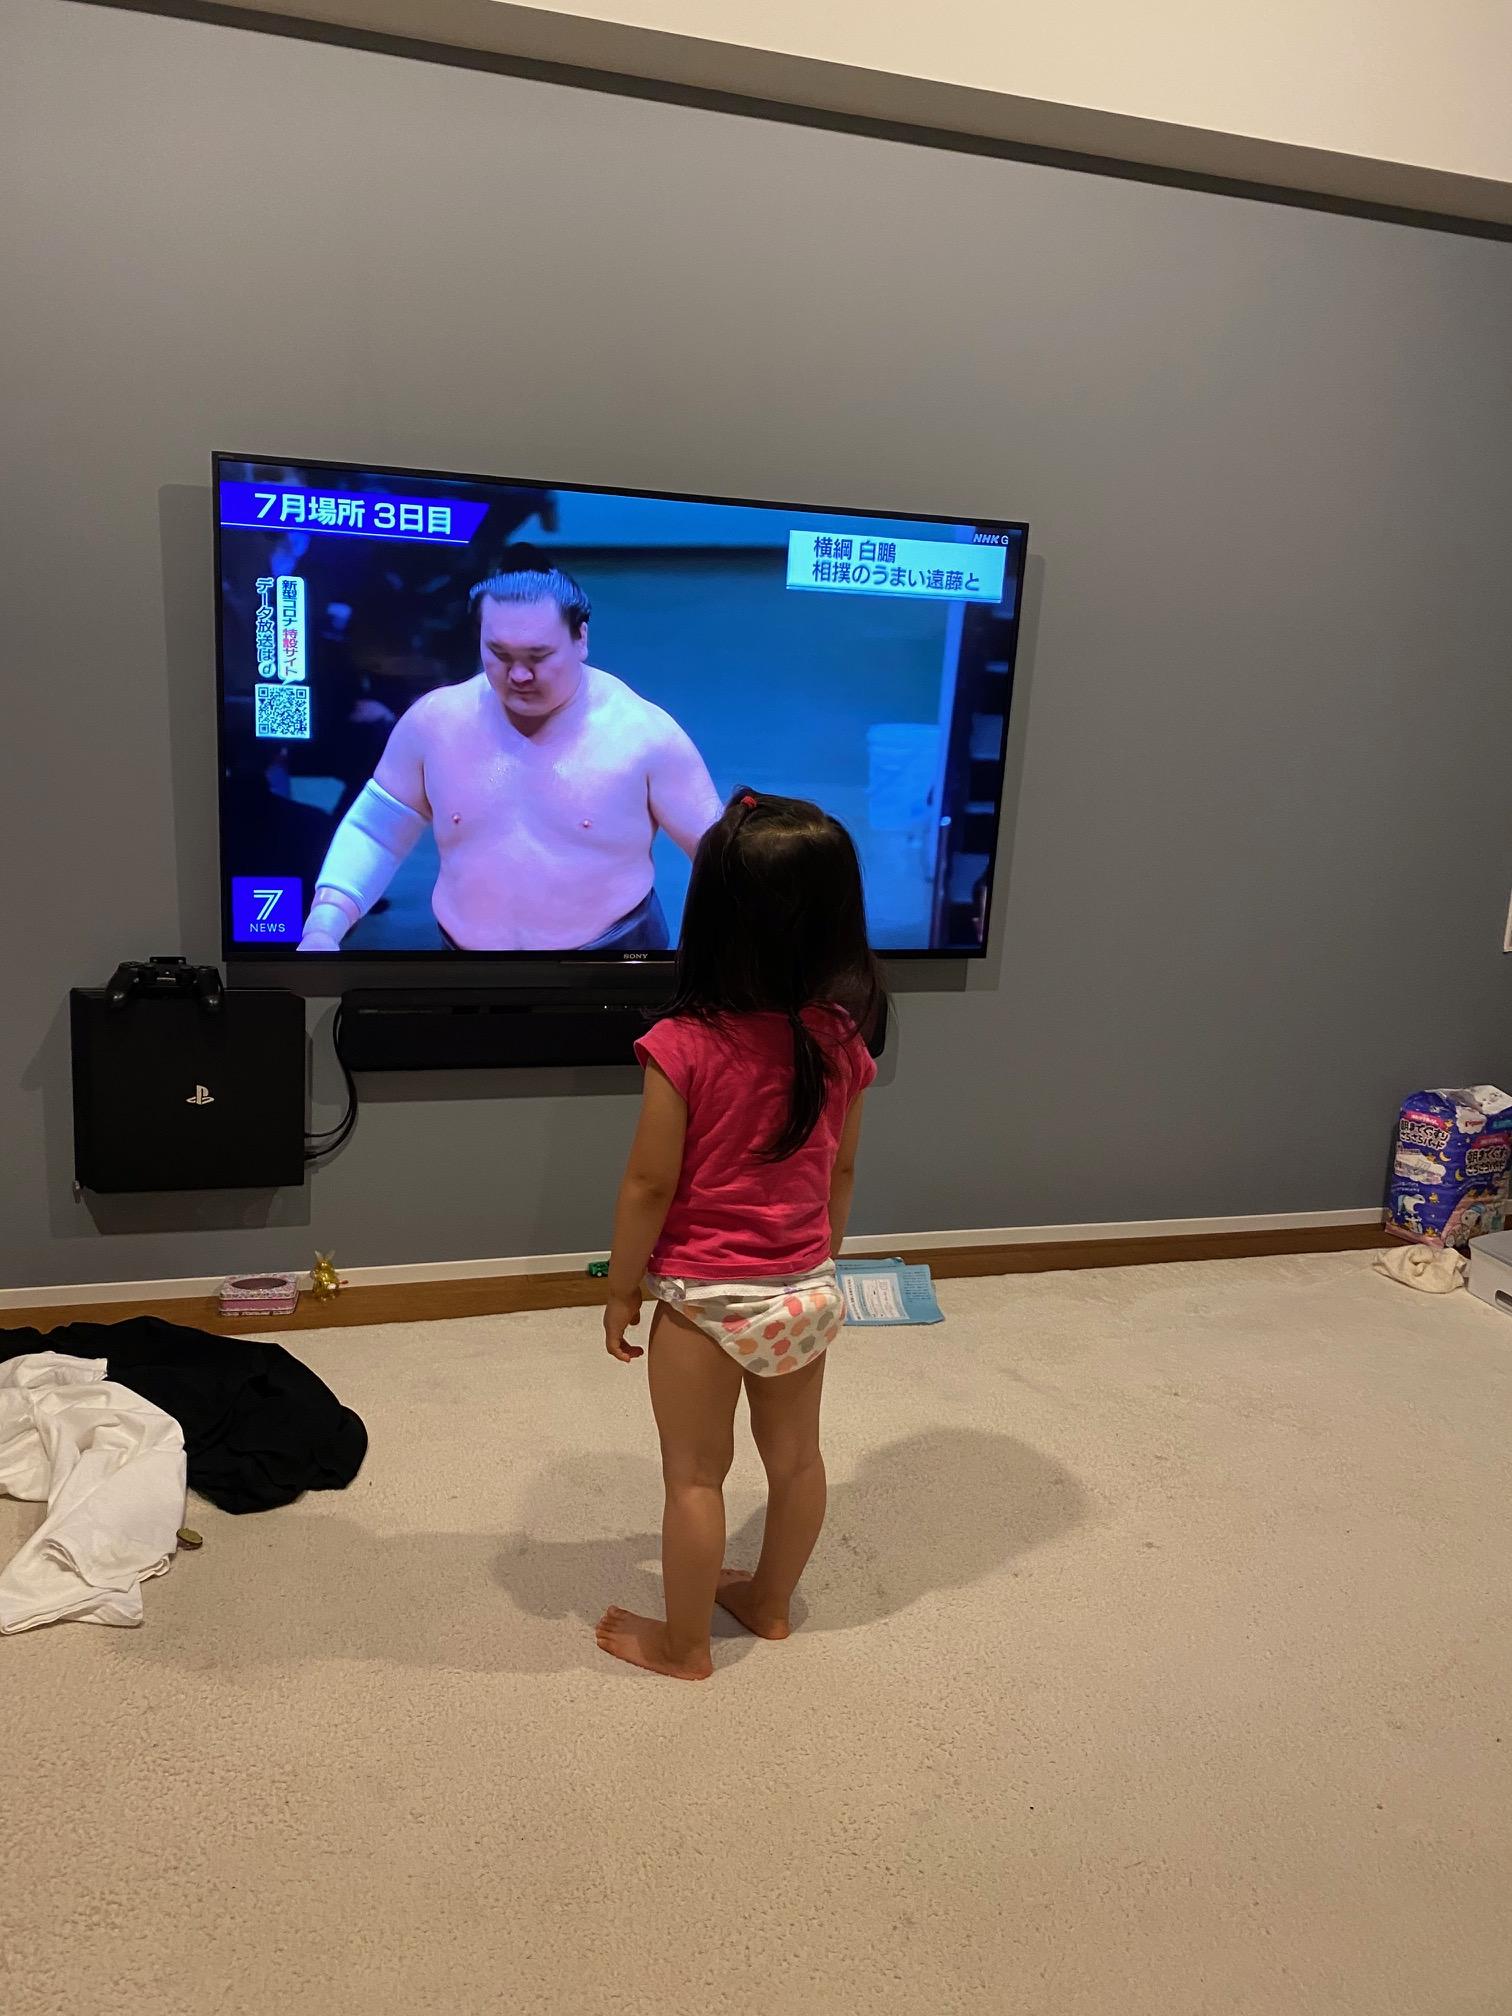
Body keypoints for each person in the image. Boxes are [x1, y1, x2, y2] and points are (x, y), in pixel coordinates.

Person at [597, 790, 883, 1680]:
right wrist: (816, 1259)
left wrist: (620, 1288)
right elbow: (840, 1173)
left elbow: (650, 1185)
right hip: (806, 1291)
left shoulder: (682, 1045)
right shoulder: (842, 1041)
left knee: (694, 1475)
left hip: (704, 1300)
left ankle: (684, 1647)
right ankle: (769, 1603)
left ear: (711, 919)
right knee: (797, 1462)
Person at [297, 553, 721, 952]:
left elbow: (719, 854)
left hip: (612, 962)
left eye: (539, 656)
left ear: (580, 638)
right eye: (499, 654)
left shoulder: (643, 733)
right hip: (468, 967)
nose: (518, 675)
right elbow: (376, 832)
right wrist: (325, 924)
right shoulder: (433, 723)